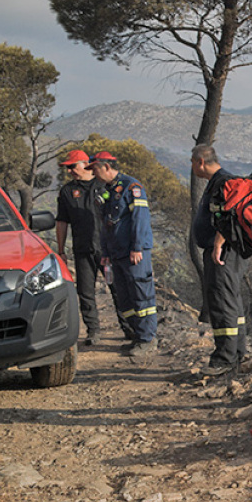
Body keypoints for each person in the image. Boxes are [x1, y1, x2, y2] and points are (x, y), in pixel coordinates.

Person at [90, 152, 158, 356]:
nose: (93, 174)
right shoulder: (107, 191)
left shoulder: (131, 187)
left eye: (95, 169)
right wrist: (105, 252)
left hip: (133, 253)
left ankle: (147, 340)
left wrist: (137, 247)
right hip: (116, 253)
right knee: (125, 298)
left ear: (107, 167)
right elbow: (106, 225)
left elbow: (140, 219)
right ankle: (137, 336)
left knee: (142, 296)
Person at [190, 144, 248, 376]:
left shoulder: (223, 182)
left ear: (200, 162)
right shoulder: (219, 181)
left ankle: (225, 358)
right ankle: (237, 353)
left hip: (223, 251)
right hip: (225, 250)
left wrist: (218, 243)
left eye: (192, 162)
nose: (192, 167)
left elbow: (229, 213)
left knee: (222, 301)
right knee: (231, 300)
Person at [56, 150, 121, 346]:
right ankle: (93, 331)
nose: (70, 171)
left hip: (107, 250)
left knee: (117, 288)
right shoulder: (67, 192)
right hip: (83, 249)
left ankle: (130, 329)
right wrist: (61, 250)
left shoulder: (104, 185)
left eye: (72, 166)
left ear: (85, 164)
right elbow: (61, 222)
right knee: (85, 292)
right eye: (67, 168)